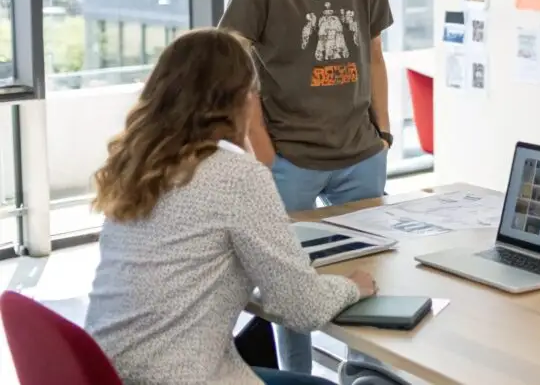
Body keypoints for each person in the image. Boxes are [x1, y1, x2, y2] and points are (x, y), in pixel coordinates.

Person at [84, 28, 376, 385]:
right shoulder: (235, 175)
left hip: (110, 372)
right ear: (241, 100)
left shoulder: (137, 166)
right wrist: (352, 286)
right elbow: (303, 308)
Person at [219, 0, 396, 379]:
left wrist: (383, 132)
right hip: (291, 158)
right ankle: (299, 378)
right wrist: (264, 148)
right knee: (290, 281)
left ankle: (363, 374)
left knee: (371, 274)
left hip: (361, 155)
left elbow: (376, 55)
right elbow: (233, 63)